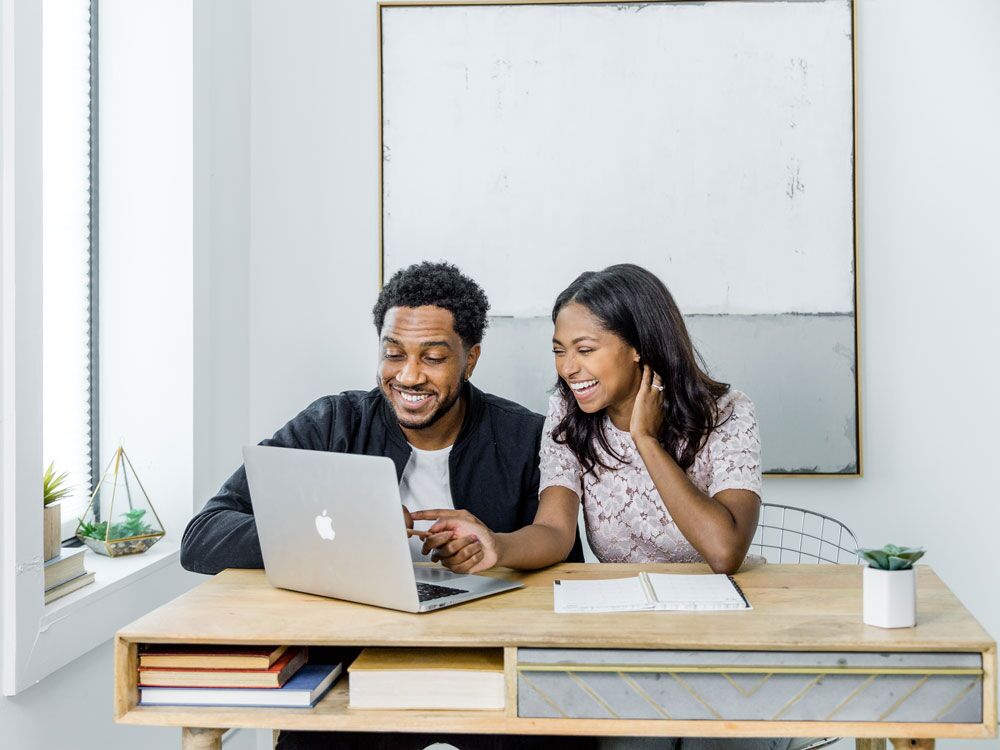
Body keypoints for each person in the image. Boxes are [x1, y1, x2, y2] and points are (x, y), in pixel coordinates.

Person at [180, 260, 584, 750]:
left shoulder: (524, 437)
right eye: (393, 354)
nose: (408, 375)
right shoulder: (332, 424)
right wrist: (342, 531)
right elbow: (203, 535)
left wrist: (496, 548)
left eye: (433, 358)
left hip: (487, 665)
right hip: (353, 665)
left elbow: (563, 567)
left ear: (470, 359)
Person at [420, 263, 784, 750]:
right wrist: (497, 545)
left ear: (638, 347)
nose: (568, 368)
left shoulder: (728, 412)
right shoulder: (568, 415)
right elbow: (554, 530)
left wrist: (645, 439)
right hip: (625, 637)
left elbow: (723, 552)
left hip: (722, 634)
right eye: (559, 351)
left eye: (585, 350)